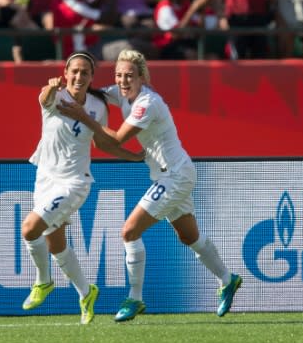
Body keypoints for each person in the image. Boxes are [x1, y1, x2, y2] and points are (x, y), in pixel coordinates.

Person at [57, 49, 242, 322]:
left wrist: (84, 116)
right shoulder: (121, 92)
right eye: (119, 75)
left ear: (141, 77)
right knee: (189, 236)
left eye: (129, 75)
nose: (122, 80)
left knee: (129, 231)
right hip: (172, 173)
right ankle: (228, 279)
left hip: (175, 174)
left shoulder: (147, 103)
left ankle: (135, 298)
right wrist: (64, 86)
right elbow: (92, 92)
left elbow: (118, 138)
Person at [20, 51, 144, 324]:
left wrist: (134, 157)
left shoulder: (98, 105)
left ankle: (43, 282)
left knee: (30, 228)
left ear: (91, 77)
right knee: (56, 245)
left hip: (74, 182)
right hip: (45, 180)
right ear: (65, 73)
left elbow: (102, 142)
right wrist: (50, 88)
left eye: (84, 72)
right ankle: (86, 293)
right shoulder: (55, 96)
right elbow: (43, 98)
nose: (78, 76)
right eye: (74, 71)